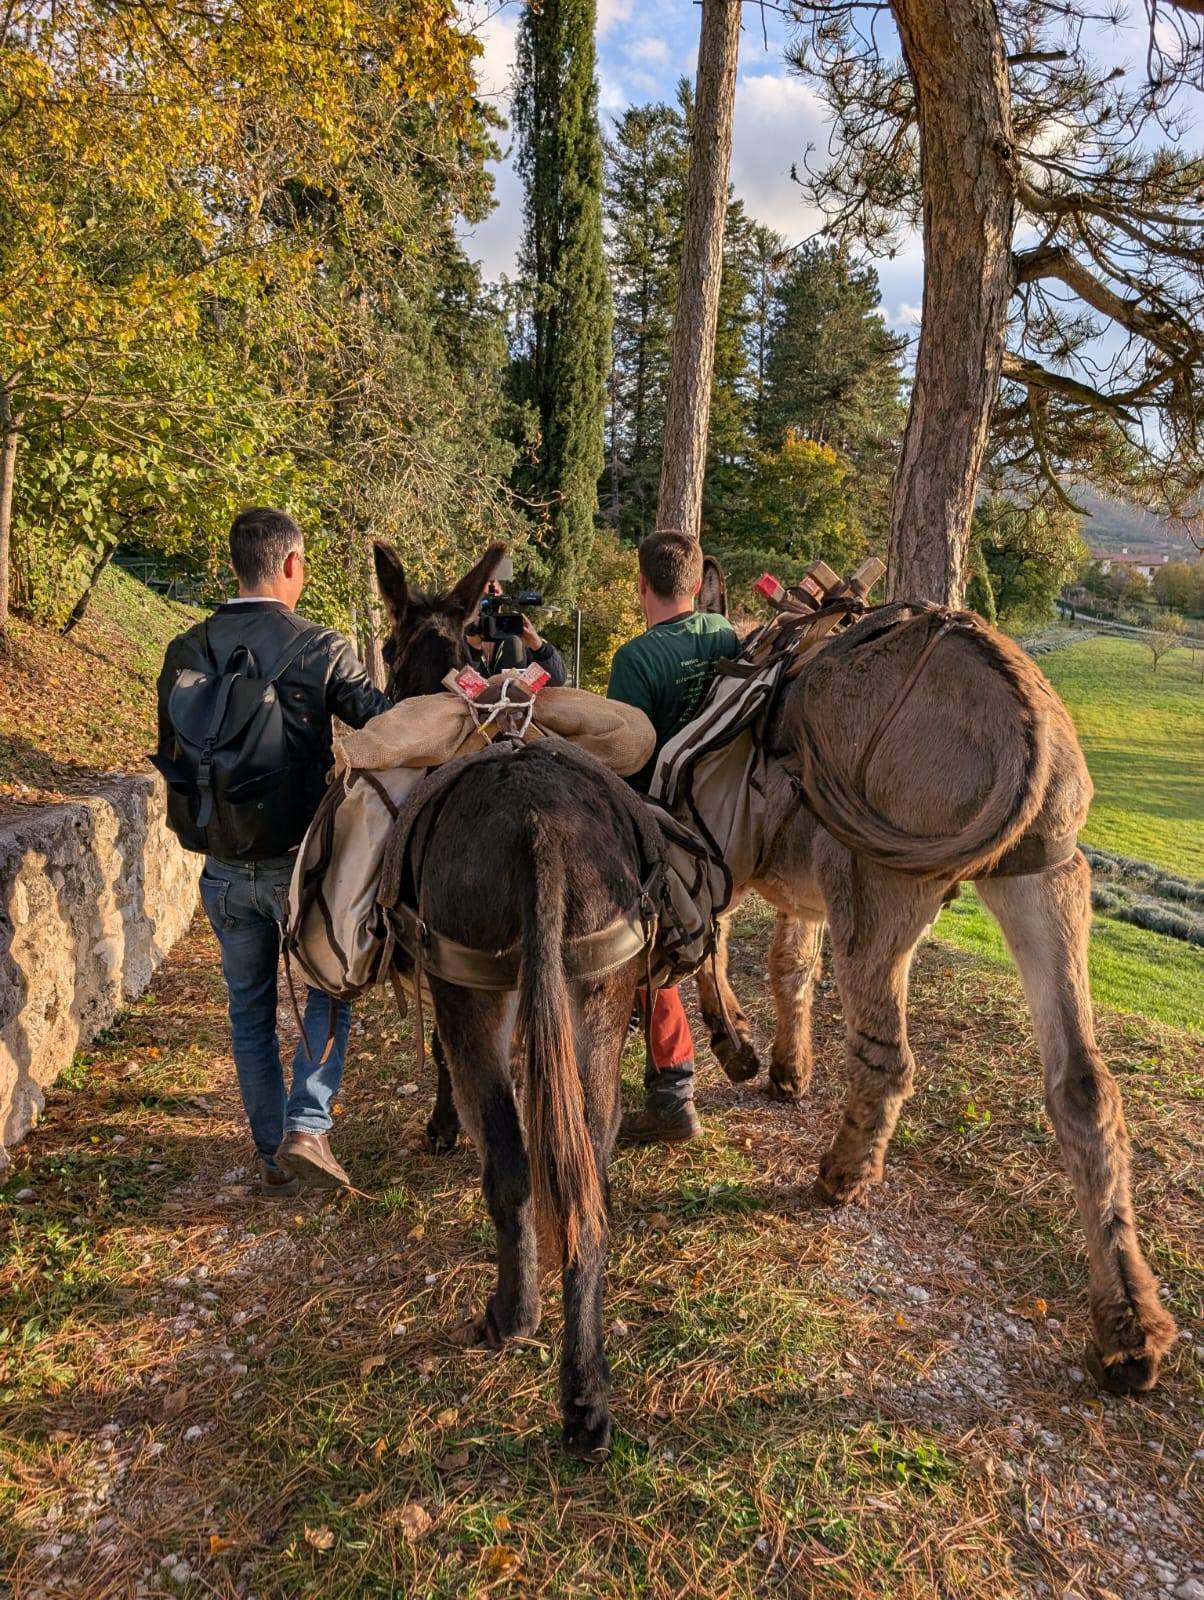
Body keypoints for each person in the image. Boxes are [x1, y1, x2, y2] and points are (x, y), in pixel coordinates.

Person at [155, 508, 392, 1197]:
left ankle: (270, 1155)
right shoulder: (321, 646)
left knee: (249, 1011)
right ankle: (308, 1125)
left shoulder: (184, 649)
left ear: (236, 565)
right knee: (332, 986)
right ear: (291, 565)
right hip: (302, 867)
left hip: (223, 869)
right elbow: (385, 725)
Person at [606, 530, 739, 1143]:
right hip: (725, 815)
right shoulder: (725, 635)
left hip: (662, 823)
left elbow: (624, 761)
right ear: (696, 583)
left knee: (634, 942)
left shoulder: (635, 660)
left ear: (642, 585)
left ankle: (672, 1093)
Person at [465, 558, 567, 684]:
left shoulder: (514, 629)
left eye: (494, 593)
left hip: (517, 696)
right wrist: (472, 650)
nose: (489, 600)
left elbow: (557, 680)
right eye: (480, 596)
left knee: (513, 643)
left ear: (502, 596)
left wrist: (537, 646)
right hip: (473, 697)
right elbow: (453, 684)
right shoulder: (457, 638)